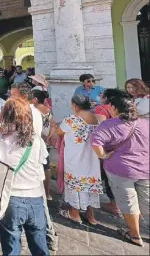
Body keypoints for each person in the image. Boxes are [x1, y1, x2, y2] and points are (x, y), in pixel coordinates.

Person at [0, 98, 49, 256]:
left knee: (11, 246)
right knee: (40, 244)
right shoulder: (37, 140)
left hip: (9, 198)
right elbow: (43, 161)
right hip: (35, 197)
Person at [92, 94, 149, 247]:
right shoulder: (145, 123)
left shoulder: (109, 124)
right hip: (145, 167)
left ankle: (135, 235)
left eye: (111, 105)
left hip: (120, 169)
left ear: (115, 108)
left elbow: (96, 143)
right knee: (147, 201)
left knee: (128, 202)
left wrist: (103, 155)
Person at [56, 95, 102, 225]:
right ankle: (90, 215)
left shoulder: (71, 119)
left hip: (75, 157)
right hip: (91, 158)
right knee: (89, 183)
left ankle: (74, 213)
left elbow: (59, 131)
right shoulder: (96, 119)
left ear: (75, 106)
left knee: (75, 183)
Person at [93, 88, 127, 217]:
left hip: (109, 146)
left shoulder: (101, 109)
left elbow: (100, 128)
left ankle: (114, 205)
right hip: (124, 145)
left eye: (102, 95)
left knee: (108, 176)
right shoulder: (125, 107)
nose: (100, 96)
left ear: (107, 98)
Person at [30, 90, 55, 200]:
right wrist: (49, 137)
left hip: (36, 141)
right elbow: (53, 125)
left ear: (35, 99)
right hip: (46, 142)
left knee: (35, 165)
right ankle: (47, 193)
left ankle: (36, 191)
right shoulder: (48, 110)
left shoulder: (34, 110)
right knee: (46, 166)